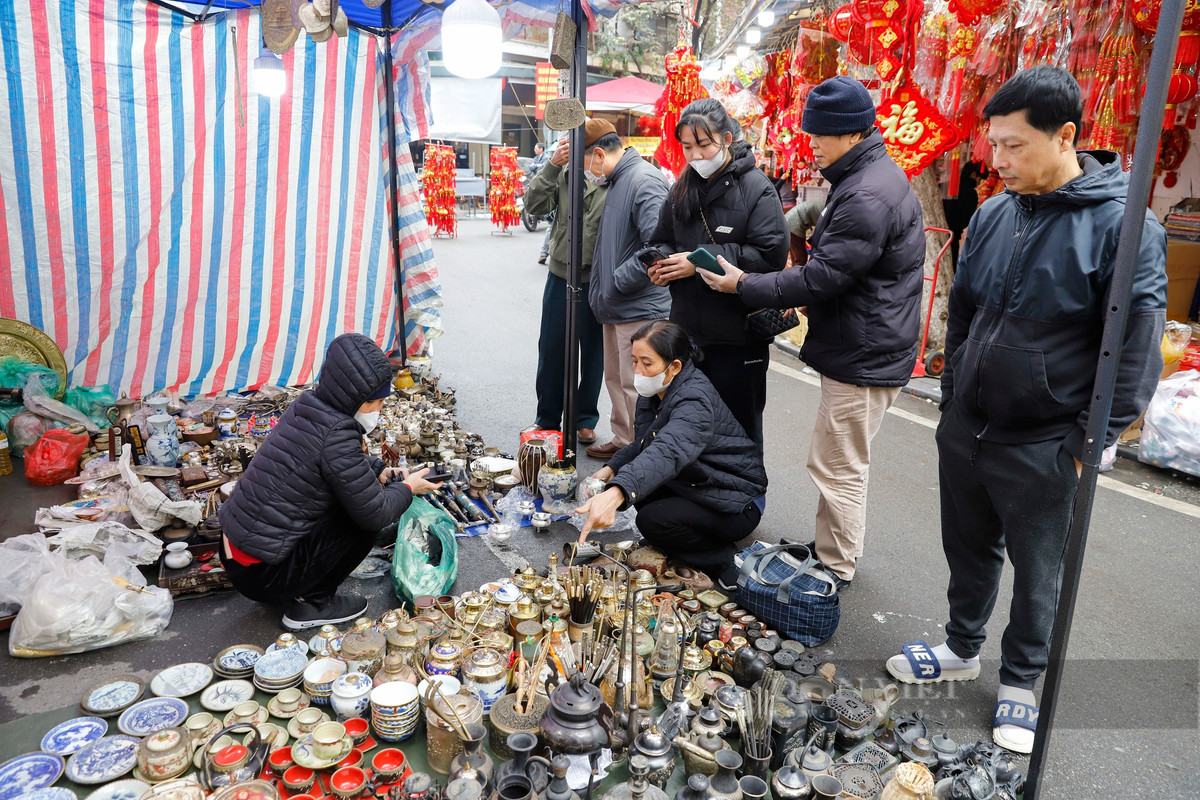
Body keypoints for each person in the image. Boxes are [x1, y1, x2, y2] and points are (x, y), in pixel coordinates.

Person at [880, 66, 1167, 754]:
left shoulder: (1124, 225)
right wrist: (953, 393)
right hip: (969, 424)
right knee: (968, 544)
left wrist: (1090, 438)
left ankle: (1020, 681)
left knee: (1040, 569)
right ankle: (961, 647)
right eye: (994, 145)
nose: (999, 161)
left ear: (1065, 136)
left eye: (1014, 146)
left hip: (1047, 438)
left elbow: (1137, 342)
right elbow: (966, 309)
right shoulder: (994, 212)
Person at [702, 75, 925, 589]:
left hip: (863, 351)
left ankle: (835, 565)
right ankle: (832, 549)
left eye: (820, 135)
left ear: (852, 133)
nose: (813, 144)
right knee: (838, 459)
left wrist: (743, 284)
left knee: (838, 464)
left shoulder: (867, 193)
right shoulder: (868, 177)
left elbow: (823, 277)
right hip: (866, 342)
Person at [219, 333, 444, 630]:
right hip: (264, 576)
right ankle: (313, 603)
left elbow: (326, 461)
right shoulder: (337, 434)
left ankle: (302, 587)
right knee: (362, 520)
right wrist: (408, 487)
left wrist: (379, 470)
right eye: (375, 402)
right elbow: (376, 513)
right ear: (354, 398)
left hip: (237, 556)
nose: (378, 409)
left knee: (356, 496)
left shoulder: (308, 406)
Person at [575, 321, 767, 588]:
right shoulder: (657, 390)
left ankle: (723, 559)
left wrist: (618, 491)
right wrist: (612, 468)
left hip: (737, 500)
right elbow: (646, 443)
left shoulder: (694, 401)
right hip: (701, 482)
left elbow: (667, 450)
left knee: (651, 520)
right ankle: (677, 541)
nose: (638, 371)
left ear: (675, 366)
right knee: (642, 493)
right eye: (634, 361)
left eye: (647, 363)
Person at [649, 98, 788, 445]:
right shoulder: (681, 187)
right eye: (687, 147)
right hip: (686, 332)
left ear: (726, 139)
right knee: (686, 428)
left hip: (737, 337)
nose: (696, 156)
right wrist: (661, 263)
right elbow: (662, 238)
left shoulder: (756, 188)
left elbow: (769, 255)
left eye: (704, 144)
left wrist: (697, 262)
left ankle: (745, 485)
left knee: (738, 433)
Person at [583, 127, 672, 460]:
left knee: (637, 384)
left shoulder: (643, 180)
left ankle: (641, 452)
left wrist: (619, 280)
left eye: (585, 165)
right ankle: (625, 440)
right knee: (618, 379)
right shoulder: (621, 179)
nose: (588, 174)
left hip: (638, 304)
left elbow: (659, 246)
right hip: (619, 302)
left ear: (598, 154)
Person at [524, 120, 614, 445]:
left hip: (596, 280)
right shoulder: (564, 173)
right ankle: (547, 418)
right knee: (552, 349)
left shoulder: (615, 179)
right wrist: (552, 166)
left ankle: (584, 419)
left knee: (593, 354)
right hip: (560, 275)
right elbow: (534, 206)